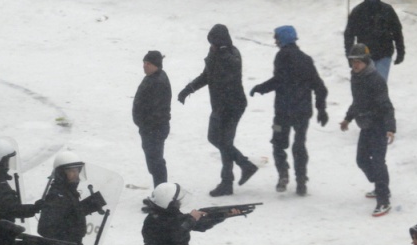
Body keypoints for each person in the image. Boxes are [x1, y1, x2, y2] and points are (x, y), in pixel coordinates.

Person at [177, 24, 259, 196]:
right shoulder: (215, 53)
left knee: (224, 142)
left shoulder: (231, 56)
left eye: (213, 43)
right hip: (220, 106)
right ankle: (244, 166)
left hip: (233, 107)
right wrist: (188, 89)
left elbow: (229, 76)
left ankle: (228, 182)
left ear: (220, 42)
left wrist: (219, 54)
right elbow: (206, 76)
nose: (211, 46)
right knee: (215, 139)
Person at [250, 26, 328, 196]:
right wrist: (321, 109)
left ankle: (283, 174)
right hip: (302, 112)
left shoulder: (281, 56)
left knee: (278, 144)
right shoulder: (306, 59)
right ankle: (301, 181)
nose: (275, 41)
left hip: (283, 112)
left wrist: (260, 88)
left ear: (283, 39)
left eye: (276, 38)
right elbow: (319, 86)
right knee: (299, 145)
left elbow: (279, 81)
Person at [340, 44, 397, 218]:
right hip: (365, 125)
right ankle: (380, 185)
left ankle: (383, 199)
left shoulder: (375, 80)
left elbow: (387, 106)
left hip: (378, 125)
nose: (355, 65)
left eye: (358, 62)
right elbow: (357, 102)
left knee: (378, 162)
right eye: (352, 62)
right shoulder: (356, 77)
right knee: (361, 160)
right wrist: (348, 118)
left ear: (366, 62)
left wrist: (390, 128)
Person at [343, 0, 405, 81]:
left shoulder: (387, 10)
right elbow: (349, 36)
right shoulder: (358, 12)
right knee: (366, 87)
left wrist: (401, 51)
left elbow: (397, 32)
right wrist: (350, 56)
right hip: (365, 56)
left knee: (380, 86)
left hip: (384, 54)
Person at [132, 50, 172, 187]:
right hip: (149, 129)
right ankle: (160, 193)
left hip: (154, 130)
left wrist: (145, 125)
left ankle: (162, 195)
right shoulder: (152, 77)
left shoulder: (158, 82)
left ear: (155, 65)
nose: (144, 66)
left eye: (147, 63)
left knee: (156, 164)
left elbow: (157, 111)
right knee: (154, 163)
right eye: (143, 63)